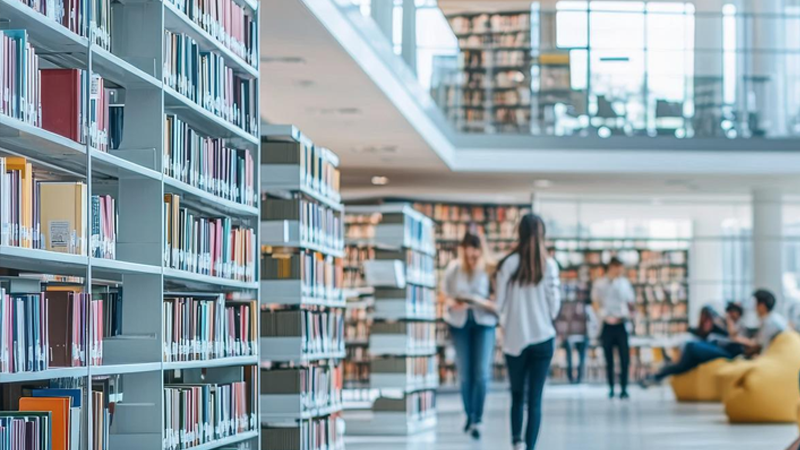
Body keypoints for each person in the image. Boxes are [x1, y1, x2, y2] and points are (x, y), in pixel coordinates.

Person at [495, 214, 561, 450]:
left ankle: (516, 443)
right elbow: (554, 309)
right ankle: (530, 446)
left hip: (514, 339)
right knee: (535, 399)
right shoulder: (550, 265)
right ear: (543, 234)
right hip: (543, 338)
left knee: (516, 395)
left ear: (518, 233)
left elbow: (499, 304)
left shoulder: (507, 264)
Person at [441, 232, 497, 440]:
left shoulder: (490, 269)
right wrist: (452, 303)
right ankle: (469, 414)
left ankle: (478, 418)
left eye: (475, 251)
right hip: (459, 323)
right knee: (465, 373)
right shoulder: (454, 268)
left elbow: (497, 300)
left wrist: (480, 302)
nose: (471, 255)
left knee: (481, 372)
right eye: (468, 251)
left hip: (484, 323)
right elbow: (444, 295)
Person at [640, 302, 746, 386]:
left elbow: (734, 336)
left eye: (733, 312)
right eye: (730, 312)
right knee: (682, 365)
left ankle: (660, 373)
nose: (731, 314)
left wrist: (728, 319)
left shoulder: (740, 325)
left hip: (727, 353)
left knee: (690, 346)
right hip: (713, 349)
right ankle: (658, 376)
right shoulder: (721, 324)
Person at [592, 257, 635, 399]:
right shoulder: (600, 283)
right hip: (607, 324)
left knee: (624, 358)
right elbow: (595, 302)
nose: (620, 270)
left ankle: (624, 388)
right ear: (612, 267)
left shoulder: (625, 283)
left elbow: (630, 302)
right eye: (618, 267)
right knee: (608, 358)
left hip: (621, 323)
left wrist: (630, 315)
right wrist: (602, 315)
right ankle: (611, 387)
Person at [733, 289, 787, 356]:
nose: (754, 308)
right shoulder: (773, 318)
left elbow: (758, 344)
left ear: (762, 306)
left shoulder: (770, 322)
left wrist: (737, 339)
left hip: (773, 356)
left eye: (755, 304)